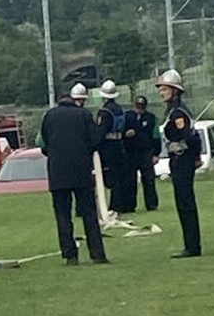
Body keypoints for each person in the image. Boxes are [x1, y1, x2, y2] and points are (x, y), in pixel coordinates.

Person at [40, 83, 109, 266]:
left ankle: (70, 255)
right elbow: (95, 140)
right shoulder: (83, 115)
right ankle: (97, 253)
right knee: (89, 213)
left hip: (57, 172)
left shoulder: (49, 116)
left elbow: (44, 144)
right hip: (81, 170)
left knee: (63, 215)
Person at [155, 69, 202, 258]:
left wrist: (194, 155)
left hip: (182, 158)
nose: (161, 92)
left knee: (185, 202)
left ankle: (192, 246)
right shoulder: (173, 110)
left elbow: (189, 136)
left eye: (165, 89)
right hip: (179, 158)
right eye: (161, 89)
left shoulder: (178, 112)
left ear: (175, 91)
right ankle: (190, 244)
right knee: (182, 201)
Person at [123, 95, 160, 212]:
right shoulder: (127, 116)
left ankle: (152, 204)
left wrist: (156, 154)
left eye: (142, 108)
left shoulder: (151, 118)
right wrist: (125, 134)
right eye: (138, 107)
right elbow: (120, 132)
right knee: (130, 180)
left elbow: (156, 136)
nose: (139, 110)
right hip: (130, 153)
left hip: (146, 152)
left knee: (149, 180)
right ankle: (129, 206)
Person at [96, 79, 128, 213]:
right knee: (120, 176)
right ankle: (121, 203)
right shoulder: (119, 109)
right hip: (119, 143)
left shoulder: (104, 111)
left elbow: (101, 131)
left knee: (110, 176)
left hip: (108, 145)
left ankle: (114, 205)